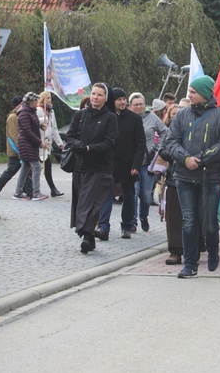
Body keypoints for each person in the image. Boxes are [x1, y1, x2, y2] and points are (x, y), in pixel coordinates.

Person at [165, 75, 220, 278]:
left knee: (210, 223)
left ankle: (213, 250)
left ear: (205, 94)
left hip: (211, 177)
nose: (189, 95)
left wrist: (202, 159)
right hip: (184, 176)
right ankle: (190, 264)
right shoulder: (181, 115)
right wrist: (186, 158)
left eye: (193, 92)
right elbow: (171, 141)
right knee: (189, 221)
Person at [66, 83, 118, 254]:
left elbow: (109, 142)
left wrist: (90, 149)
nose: (95, 97)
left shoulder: (110, 118)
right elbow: (70, 136)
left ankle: (87, 235)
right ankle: (88, 236)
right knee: (82, 202)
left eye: (100, 95)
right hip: (81, 166)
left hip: (100, 167)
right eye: (94, 94)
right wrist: (79, 145)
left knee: (93, 203)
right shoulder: (80, 115)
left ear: (105, 98)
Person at [95, 88, 145, 241]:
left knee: (129, 197)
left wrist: (136, 164)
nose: (122, 102)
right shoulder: (107, 117)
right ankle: (103, 227)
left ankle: (127, 225)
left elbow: (140, 144)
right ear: (113, 101)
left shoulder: (135, 119)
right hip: (109, 164)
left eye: (124, 99)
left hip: (129, 165)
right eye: (119, 99)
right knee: (106, 195)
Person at [128, 92, 168, 232]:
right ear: (130, 106)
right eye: (136, 104)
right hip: (132, 163)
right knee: (134, 192)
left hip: (147, 163)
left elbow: (165, 132)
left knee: (145, 196)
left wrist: (157, 148)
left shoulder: (152, 118)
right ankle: (132, 222)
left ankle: (143, 216)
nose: (139, 107)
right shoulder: (128, 118)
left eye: (141, 104)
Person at [0, 96, 32, 198]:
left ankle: (28, 191)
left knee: (24, 170)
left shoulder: (19, 116)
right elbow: (14, 136)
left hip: (18, 150)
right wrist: (22, 149)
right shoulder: (13, 117)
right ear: (18, 105)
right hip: (15, 151)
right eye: (22, 104)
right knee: (12, 171)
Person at [13, 92, 50, 201]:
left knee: (25, 167)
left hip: (28, 145)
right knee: (37, 167)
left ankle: (18, 192)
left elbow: (31, 125)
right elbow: (27, 131)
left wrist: (40, 125)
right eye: (36, 101)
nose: (37, 102)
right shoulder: (24, 113)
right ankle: (36, 193)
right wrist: (39, 142)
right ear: (30, 102)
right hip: (27, 144)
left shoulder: (30, 111)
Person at [158, 104, 184, 264]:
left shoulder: (196, 130)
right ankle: (175, 251)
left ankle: (193, 248)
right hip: (174, 178)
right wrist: (179, 155)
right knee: (173, 217)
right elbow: (163, 151)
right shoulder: (170, 133)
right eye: (174, 114)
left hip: (195, 177)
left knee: (192, 217)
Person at [36, 91, 64, 197]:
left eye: (50, 98)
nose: (49, 100)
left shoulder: (51, 112)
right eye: (47, 98)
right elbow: (35, 123)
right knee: (35, 166)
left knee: (47, 165)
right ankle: (30, 187)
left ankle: (53, 189)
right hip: (40, 142)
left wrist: (60, 143)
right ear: (42, 99)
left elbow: (54, 128)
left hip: (48, 143)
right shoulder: (39, 110)